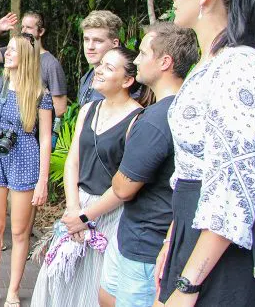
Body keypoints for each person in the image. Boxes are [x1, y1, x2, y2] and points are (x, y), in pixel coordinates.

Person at [155, 0, 255, 307]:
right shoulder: (209, 63)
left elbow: (233, 183)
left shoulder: (237, 69)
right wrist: (172, 241)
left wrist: (189, 284)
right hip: (192, 230)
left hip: (219, 254)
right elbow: (190, 169)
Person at [32, 46, 146, 307]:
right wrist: (73, 209)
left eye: (109, 67)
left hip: (109, 212)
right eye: (100, 64)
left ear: (128, 80)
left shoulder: (137, 120)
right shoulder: (89, 109)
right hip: (78, 204)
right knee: (59, 278)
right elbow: (73, 161)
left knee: (94, 286)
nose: (100, 70)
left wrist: (87, 217)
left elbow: (125, 181)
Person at [98, 23, 198, 307]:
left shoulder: (156, 120)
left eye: (143, 53)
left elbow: (123, 186)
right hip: (139, 232)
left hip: (146, 243)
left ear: (165, 62)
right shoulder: (186, 105)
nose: (137, 59)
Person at [0, 33, 53, 307]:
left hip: (25, 160)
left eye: (13, 51)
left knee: (19, 232)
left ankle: (13, 292)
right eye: (7, 50)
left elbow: (44, 138)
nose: (7, 54)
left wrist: (43, 180)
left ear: (26, 57)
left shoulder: (40, 93)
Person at [0, 11, 68, 119]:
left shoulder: (51, 64)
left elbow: (60, 109)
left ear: (41, 31)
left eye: (29, 27)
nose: (24, 31)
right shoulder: (13, 52)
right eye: (22, 27)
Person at [77, 11, 122, 105]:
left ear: (115, 44)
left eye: (98, 41)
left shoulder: (122, 81)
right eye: (86, 40)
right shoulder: (86, 78)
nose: (90, 47)